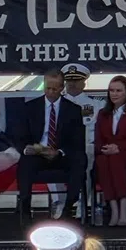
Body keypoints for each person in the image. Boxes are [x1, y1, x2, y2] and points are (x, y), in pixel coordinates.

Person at [14, 69, 86, 220]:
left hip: (60, 154)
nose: (51, 92)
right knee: (25, 162)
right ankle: (25, 209)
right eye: (47, 88)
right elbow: (20, 137)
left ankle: (68, 208)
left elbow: (77, 141)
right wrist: (29, 149)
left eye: (54, 89)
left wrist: (59, 151)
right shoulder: (30, 108)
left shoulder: (73, 110)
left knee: (79, 159)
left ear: (62, 88)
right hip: (37, 154)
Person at [49, 63, 105, 218]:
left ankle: (82, 202)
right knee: (46, 154)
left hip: (87, 145)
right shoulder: (55, 103)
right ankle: (59, 202)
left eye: (76, 80)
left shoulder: (97, 103)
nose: (72, 84)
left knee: (87, 156)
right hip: (61, 146)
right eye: (69, 80)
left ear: (84, 82)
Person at [94, 75, 126, 227]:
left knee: (115, 158)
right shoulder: (103, 114)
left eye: (118, 90)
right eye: (111, 90)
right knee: (102, 160)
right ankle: (113, 208)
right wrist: (105, 149)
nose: (114, 94)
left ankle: (124, 206)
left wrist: (118, 147)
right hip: (108, 154)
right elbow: (98, 139)